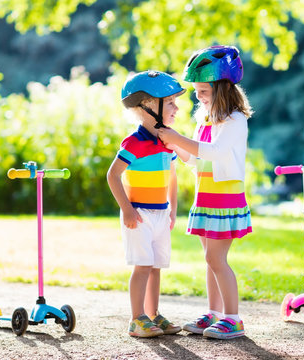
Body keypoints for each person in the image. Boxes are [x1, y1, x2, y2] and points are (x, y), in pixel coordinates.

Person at [157, 45, 253, 340]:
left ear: (223, 88)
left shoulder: (235, 120)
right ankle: (215, 313)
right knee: (209, 260)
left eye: (204, 91)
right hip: (207, 195)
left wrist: (178, 138)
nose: (199, 96)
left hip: (225, 197)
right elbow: (199, 160)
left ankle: (233, 318)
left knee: (216, 259)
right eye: (197, 91)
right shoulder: (205, 119)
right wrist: (174, 146)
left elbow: (217, 152)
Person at [107, 70, 186, 338]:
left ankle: (153, 315)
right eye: (171, 102)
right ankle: (136, 318)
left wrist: (173, 208)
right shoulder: (134, 142)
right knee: (142, 266)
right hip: (138, 214)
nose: (177, 107)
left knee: (155, 267)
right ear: (150, 106)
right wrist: (127, 209)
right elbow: (112, 175)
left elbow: (173, 177)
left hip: (161, 214)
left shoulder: (168, 140)